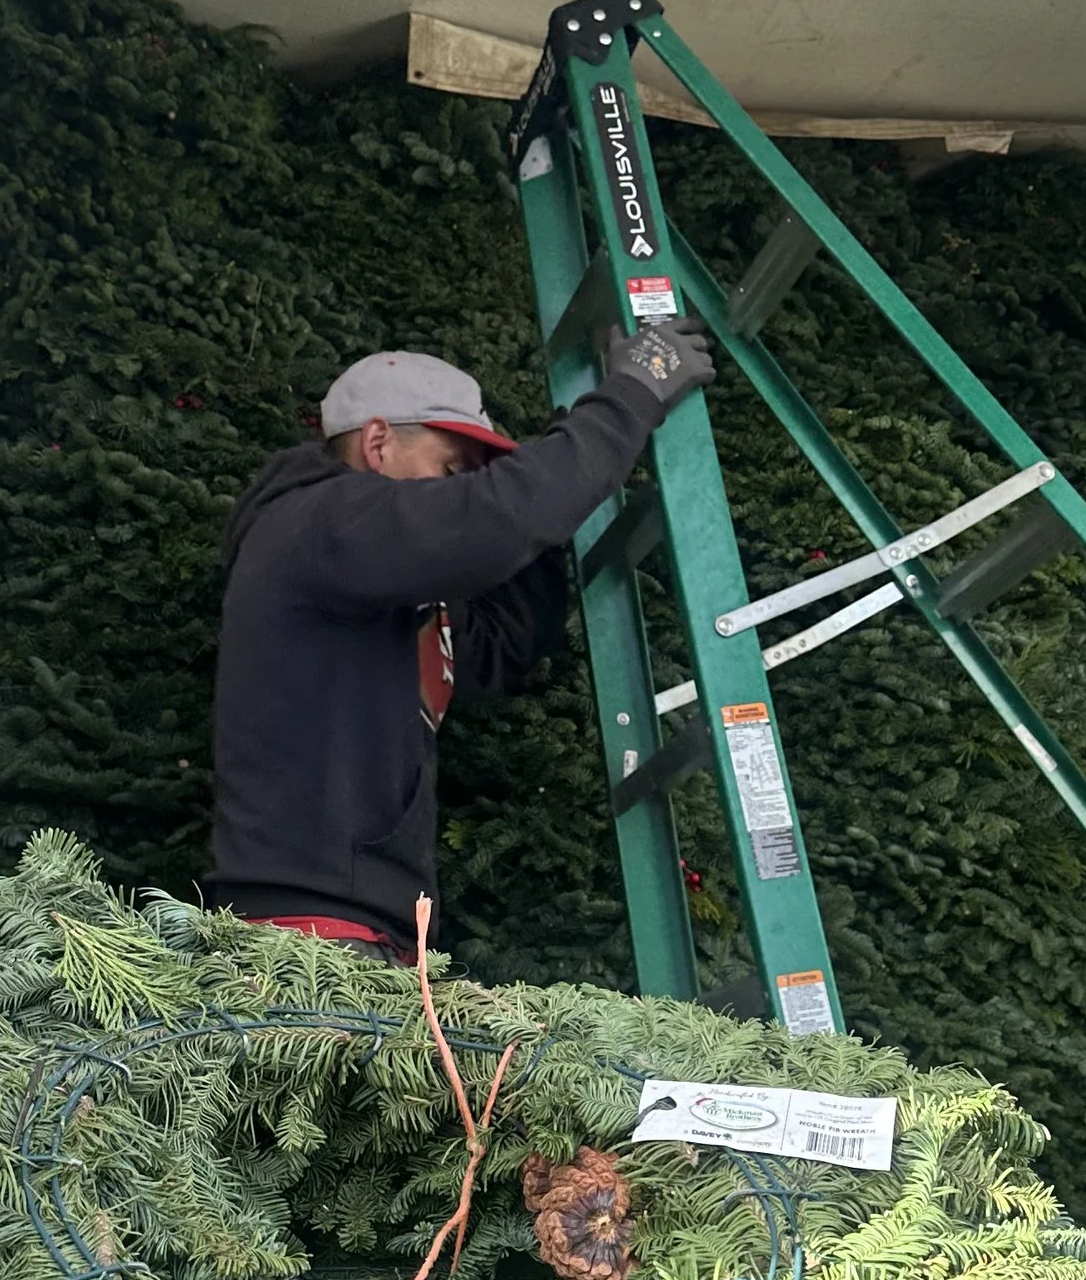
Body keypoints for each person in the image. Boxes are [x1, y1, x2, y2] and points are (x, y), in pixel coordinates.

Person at [209, 331, 712, 963]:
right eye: (449, 471)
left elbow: (503, 643)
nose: (460, 492)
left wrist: (552, 494)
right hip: (310, 933)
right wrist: (630, 397)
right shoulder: (317, 520)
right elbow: (493, 520)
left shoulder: (374, 592)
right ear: (377, 443)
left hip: (355, 930)